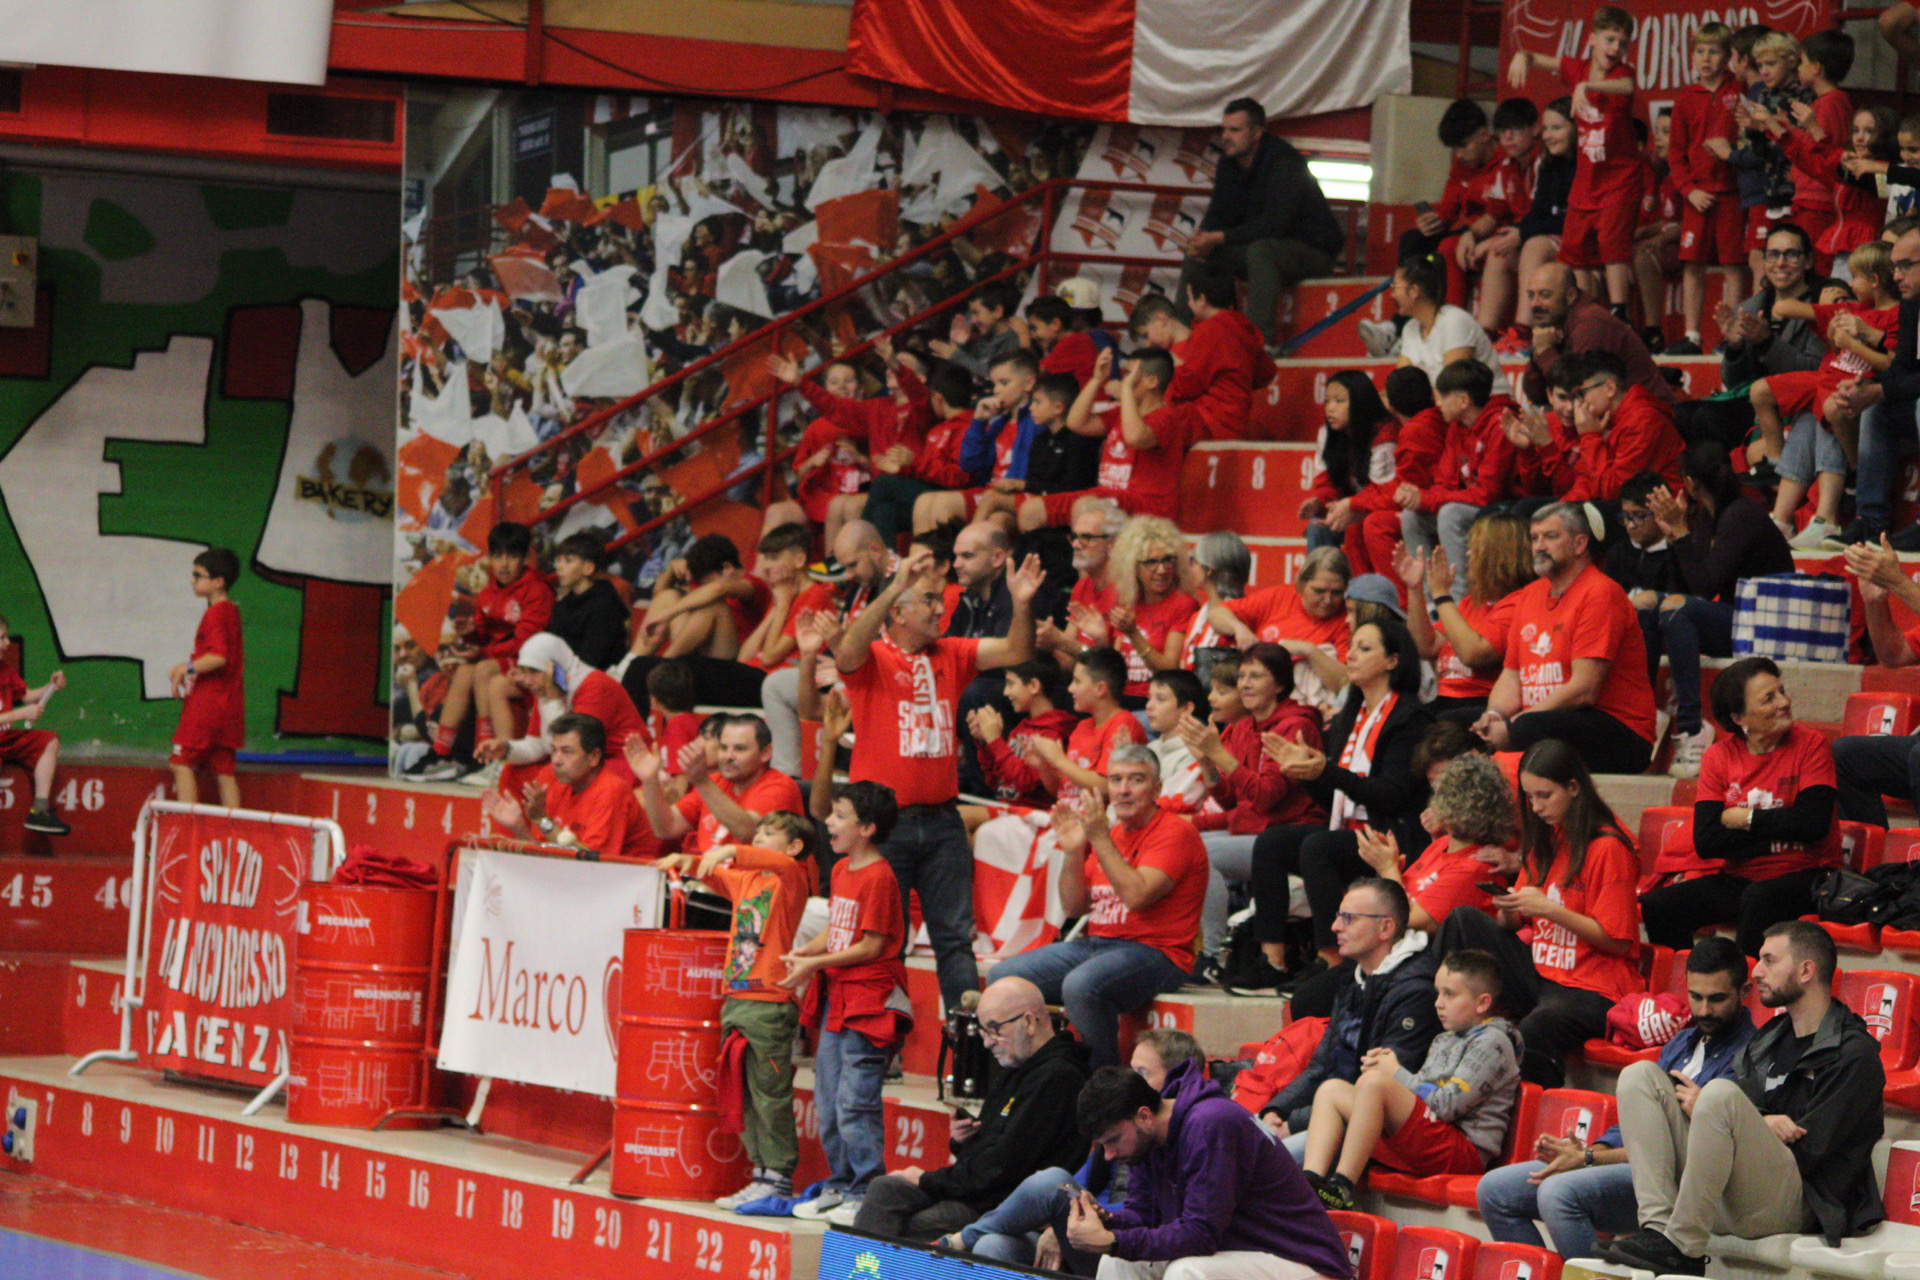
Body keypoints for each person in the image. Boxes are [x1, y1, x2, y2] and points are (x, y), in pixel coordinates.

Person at [1602, 921, 1885, 1275]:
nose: (1758, 970)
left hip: (1799, 1201)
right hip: (1735, 1186)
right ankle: (1659, 1230)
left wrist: (1749, 1120)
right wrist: (1762, 1121)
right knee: (1638, 1076)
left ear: (1806, 970)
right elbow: (1750, 1116)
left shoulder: (1853, 1054)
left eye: (1769, 960)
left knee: (1719, 1094)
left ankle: (1683, 1247)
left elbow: (1810, 1152)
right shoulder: (1769, 1039)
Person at [836, 544, 1047, 1011]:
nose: (941, 608)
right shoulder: (870, 658)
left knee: (954, 938)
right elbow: (845, 649)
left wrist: (1022, 601)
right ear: (897, 612)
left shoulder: (952, 652)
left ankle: (967, 1046)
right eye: (929, 601)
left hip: (942, 820)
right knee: (877, 937)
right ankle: (870, 1029)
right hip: (883, 823)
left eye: (939, 600)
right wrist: (893, 584)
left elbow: (1018, 648)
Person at [1477, 937, 1757, 1262]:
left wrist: (1588, 1160)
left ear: (1745, 992)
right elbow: (1638, 1126)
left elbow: (1684, 1152)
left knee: (1558, 1193)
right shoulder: (1681, 1042)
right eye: (1696, 997)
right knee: (1495, 1191)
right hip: (1633, 1170)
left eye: (1717, 999)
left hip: (1678, 1188)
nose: (1704, 1010)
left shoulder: (1750, 1056)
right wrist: (1587, 1152)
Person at [989, 746, 1207, 1069]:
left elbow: (1137, 895)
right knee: (1004, 977)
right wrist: (1075, 852)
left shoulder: (1175, 832)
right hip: (1098, 945)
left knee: (1081, 985)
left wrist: (1099, 839)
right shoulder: (1113, 833)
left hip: (1158, 952)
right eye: (1116, 780)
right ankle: (1038, 1073)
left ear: (1157, 789)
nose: (1124, 789)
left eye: (1136, 780)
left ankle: (1102, 1083)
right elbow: (1075, 907)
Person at [852, 975, 1091, 1244]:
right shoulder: (1015, 1068)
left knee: (917, 1224)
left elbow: (1001, 1168)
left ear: (1028, 1022)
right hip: (981, 1191)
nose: (987, 1042)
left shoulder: (1059, 1077)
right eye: (983, 1031)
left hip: (1005, 1205)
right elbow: (989, 1153)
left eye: (994, 1029)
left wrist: (927, 1179)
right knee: (885, 1189)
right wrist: (963, 1140)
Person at [1255, 620, 1435, 976]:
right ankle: (1271, 959)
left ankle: (1331, 960)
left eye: (1365, 648)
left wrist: (1325, 771)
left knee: (1318, 847)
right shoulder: (1350, 715)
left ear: (1393, 660)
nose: (1350, 655)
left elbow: (1393, 796)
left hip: (1392, 834)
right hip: (1350, 829)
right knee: (1273, 842)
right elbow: (1333, 795)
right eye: (1351, 647)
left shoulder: (1411, 717)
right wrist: (1305, 773)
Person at [657, 810, 815, 1211]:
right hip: (736, 1002)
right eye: (757, 830)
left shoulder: (790, 879)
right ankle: (760, 1172)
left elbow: (779, 862)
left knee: (770, 1095)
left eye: (769, 832)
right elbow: (711, 874)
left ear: (794, 846)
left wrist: (731, 848)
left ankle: (779, 1178)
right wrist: (686, 862)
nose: (759, 836)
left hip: (770, 1004)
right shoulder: (746, 879)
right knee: (741, 1094)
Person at [1067, 1060, 1354, 1280]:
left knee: (1188, 1273)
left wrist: (1114, 1241)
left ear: (1143, 1116)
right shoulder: (1147, 1142)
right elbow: (1145, 1216)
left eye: (1113, 1140)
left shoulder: (1210, 1124)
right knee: (1116, 1263)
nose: (1109, 1155)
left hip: (1306, 1264)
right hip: (1241, 1254)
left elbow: (1200, 1235)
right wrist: (1108, 1221)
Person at [1466, 738, 1643, 1088]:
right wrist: (1509, 909)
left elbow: (1617, 942)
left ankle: (1533, 1119)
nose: (1535, 807)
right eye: (1530, 797)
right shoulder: (1546, 838)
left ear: (1574, 787)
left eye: (1545, 795)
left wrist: (1549, 908)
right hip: (1544, 971)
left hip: (1593, 988)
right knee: (1464, 921)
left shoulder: (1607, 847)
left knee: (1536, 1028)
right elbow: (1521, 920)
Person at [948, 1028, 1204, 1267]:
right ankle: (967, 1239)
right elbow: (1076, 1188)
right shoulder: (1121, 1119)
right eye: (1131, 1070)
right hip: (1081, 1236)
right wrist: (1063, 1225)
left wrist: (1077, 1222)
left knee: (1052, 1181)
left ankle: (958, 1241)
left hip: (1123, 1247)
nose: (1131, 1081)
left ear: (1175, 1079)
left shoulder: (1174, 1134)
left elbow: (1153, 1216)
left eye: (1142, 1073)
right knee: (993, 1245)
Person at [1643, 658, 1840, 957]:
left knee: (1759, 898)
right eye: (1769, 699)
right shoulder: (1718, 757)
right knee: (1660, 905)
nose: (1784, 703)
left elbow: (1813, 824)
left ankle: (1741, 991)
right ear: (1738, 717)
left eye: (1782, 692)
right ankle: (1683, 988)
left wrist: (1745, 818)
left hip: (1807, 873)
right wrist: (1779, 826)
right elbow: (1708, 841)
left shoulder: (1811, 745)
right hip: (1741, 878)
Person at [1301, 949, 1521, 1211]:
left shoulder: (1492, 1043)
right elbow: (1422, 1093)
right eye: (1438, 992)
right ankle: (1310, 1183)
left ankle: (1341, 1186)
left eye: (1449, 994)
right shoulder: (1444, 1039)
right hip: (1431, 1139)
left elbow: (1446, 1106)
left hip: (1463, 1153)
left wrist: (1394, 1073)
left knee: (1374, 1083)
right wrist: (1392, 1072)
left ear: (1482, 1003)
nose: (1438, 1003)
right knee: (1332, 1090)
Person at [783, 781, 909, 1225]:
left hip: (868, 1004)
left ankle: (866, 1189)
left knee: (856, 1103)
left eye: (839, 815)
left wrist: (814, 966)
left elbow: (871, 947)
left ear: (868, 828)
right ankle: (840, 1184)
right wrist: (805, 953)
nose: (829, 823)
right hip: (837, 1001)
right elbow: (837, 932)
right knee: (829, 1101)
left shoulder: (879, 875)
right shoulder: (840, 870)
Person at [1255, 878, 1442, 1159]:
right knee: (1248, 1135)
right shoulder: (1355, 980)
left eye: (1349, 919)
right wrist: (1275, 1111)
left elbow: (1374, 1093)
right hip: (1329, 1114)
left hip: (1376, 1130)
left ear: (1386, 927)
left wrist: (1293, 1123)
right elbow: (1320, 1068)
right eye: (1338, 917)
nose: (1335, 927)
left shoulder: (1416, 992)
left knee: (1265, 1162)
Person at [1643, 443, 1794, 776]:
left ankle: (1692, 726)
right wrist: (1674, 535)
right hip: (1733, 618)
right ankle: (1641, 714)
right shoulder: (1709, 518)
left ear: (1690, 484)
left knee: (1675, 609)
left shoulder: (1741, 514)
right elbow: (1681, 588)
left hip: (1762, 623)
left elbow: (1704, 586)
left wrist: (1680, 532)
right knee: (1646, 604)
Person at [1474, 503, 1658, 774]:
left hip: (1619, 733)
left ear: (1579, 543)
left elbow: (1584, 690)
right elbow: (1512, 675)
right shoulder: (1530, 595)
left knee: (1527, 727)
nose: (1538, 546)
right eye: (1534, 538)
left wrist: (1514, 723)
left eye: (1550, 536)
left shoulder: (1600, 593)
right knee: (1453, 726)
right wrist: (1495, 716)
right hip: (1549, 720)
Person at [1180, 642, 1324, 970]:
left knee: (1200, 854)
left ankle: (1213, 956)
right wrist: (1207, 764)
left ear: (1280, 684)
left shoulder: (1296, 725)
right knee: (1183, 843)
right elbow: (1233, 799)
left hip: (1295, 834)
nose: (1244, 683)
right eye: (1242, 675)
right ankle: (1192, 947)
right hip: (1259, 830)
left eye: (1255, 676)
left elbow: (1266, 795)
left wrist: (1219, 754)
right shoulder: (1244, 726)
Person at [1179, 98, 1345, 347]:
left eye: (1234, 130)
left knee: (1262, 251)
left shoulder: (1284, 162)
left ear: (1257, 133)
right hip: (1266, 249)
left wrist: (1220, 237)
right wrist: (1203, 238)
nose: (1226, 136)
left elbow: (1275, 224)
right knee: (1197, 254)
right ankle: (1182, 338)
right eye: (1223, 129)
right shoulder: (1229, 162)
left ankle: (1258, 344)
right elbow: (1219, 213)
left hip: (1312, 252)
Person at [1510, 6, 1641, 307]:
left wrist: (1588, 86)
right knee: (1576, 253)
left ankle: (1619, 312)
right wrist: (1523, 56)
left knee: (1613, 250)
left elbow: (1628, 86)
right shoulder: (1576, 67)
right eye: (1609, 40)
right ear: (1592, 38)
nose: (1615, 48)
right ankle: (1587, 310)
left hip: (1620, 180)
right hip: (1587, 181)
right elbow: (1538, 58)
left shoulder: (1622, 74)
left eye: (1622, 44)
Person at [410, 521, 554, 781]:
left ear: (524, 558)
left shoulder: (537, 590)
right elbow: (484, 637)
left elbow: (527, 641)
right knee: (465, 671)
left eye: (511, 556)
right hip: (502, 661)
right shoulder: (488, 594)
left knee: (485, 669)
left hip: (535, 665)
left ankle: (488, 754)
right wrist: (470, 634)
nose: (504, 564)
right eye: (498, 556)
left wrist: (486, 651)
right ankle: (440, 753)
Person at [1398, 359, 1520, 602]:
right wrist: (1420, 497)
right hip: (1473, 503)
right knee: (1412, 517)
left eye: (1442, 396)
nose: (1437, 403)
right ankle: (1431, 602)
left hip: (1506, 506)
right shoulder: (1457, 426)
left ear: (1464, 401)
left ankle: (1458, 599)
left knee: (1450, 514)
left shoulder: (1500, 425)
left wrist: (1429, 498)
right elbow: (1445, 481)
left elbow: (1488, 493)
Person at [1399, 511, 1534, 725]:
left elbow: (1473, 653)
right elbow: (1425, 646)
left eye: (1476, 548)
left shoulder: (1520, 602)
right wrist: (1415, 588)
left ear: (1499, 554)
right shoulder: (1471, 602)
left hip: (1482, 706)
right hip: (1445, 702)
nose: (1468, 554)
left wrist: (1442, 595)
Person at [1503, 349, 1685, 503]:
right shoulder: (1605, 417)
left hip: (1654, 514)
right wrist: (1562, 508)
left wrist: (1589, 436)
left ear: (1609, 389)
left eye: (1582, 394)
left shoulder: (1644, 421)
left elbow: (1613, 492)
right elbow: (1585, 482)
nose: (1577, 405)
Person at [480, 631, 646, 795]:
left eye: (534, 671)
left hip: (623, 760)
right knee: (513, 773)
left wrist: (552, 700)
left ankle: (555, 823)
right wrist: (507, 749)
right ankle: (524, 823)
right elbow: (538, 745)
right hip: (584, 760)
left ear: (555, 668)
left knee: (551, 776)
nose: (527, 680)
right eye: (524, 671)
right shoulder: (547, 687)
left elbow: (572, 747)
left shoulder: (593, 685)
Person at [1668, 22, 1747, 355]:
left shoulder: (1738, 88)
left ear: (1728, 56)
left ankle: (1731, 337)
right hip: (1697, 195)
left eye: (1714, 51)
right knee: (1693, 264)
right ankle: (1692, 336)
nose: (1706, 58)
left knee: (1733, 264)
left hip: (1732, 192)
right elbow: (1675, 151)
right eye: (1700, 51)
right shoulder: (1686, 96)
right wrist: (1688, 190)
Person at [480, 712, 652, 861]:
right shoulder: (553, 780)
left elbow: (592, 863)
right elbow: (544, 853)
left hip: (625, 884)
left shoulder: (611, 790)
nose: (556, 760)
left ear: (594, 757)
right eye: (554, 750)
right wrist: (519, 827)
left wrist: (542, 820)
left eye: (567, 751)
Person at [1207, 547, 1351, 713]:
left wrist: (1309, 651)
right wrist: (1239, 628)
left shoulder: (1346, 619)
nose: (1328, 600)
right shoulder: (1280, 596)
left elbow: (1346, 683)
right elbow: (1216, 614)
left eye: (1337, 592)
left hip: (1300, 708)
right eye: (1319, 591)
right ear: (1302, 583)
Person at [636, 714, 802, 857]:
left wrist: (702, 781)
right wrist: (650, 781)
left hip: (759, 890)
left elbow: (749, 832)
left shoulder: (780, 786)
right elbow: (666, 828)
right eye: (723, 748)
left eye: (740, 749)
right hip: (710, 884)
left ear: (765, 753)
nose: (728, 756)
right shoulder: (715, 782)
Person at [1516, 264, 1675, 410]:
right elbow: (1536, 395)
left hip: (1648, 417)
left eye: (1545, 295)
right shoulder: (1555, 324)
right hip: (1611, 415)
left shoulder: (1591, 323)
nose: (1534, 304)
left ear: (1570, 295)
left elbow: (1576, 392)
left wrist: (1544, 351)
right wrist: (1539, 353)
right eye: (1531, 295)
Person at [170, 547, 245, 809]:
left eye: (198, 575)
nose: (193, 580)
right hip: (230, 705)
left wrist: (185, 668)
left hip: (209, 702)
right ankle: (232, 838)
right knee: (224, 771)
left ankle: (189, 831)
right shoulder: (231, 611)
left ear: (218, 582)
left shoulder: (216, 613)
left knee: (181, 763)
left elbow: (219, 657)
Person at [1027, 647, 1148, 805]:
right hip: (1066, 818)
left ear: (1100, 689)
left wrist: (1057, 759)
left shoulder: (1123, 725)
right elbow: (1063, 792)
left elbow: (1106, 788)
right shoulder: (1082, 726)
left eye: (1077, 681)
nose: (1070, 688)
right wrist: (1043, 767)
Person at [1096, 518, 1200, 701]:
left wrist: (1133, 633)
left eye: (1167, 560)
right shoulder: (1125, 601)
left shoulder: (1183, 604)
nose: (1161, 570)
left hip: (1155, 703)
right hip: (1119, 699)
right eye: (1151, 562)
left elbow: (1170, 671)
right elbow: (1111, 668)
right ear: (1133, 567)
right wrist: (1100, 641)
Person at [1387, 255, 1512, 394]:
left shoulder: (1455, 321)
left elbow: (1451, 389)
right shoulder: (1410, 328)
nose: (1392, 294)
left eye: (1395, 288)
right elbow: (1400, 385)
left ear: (1414, 291)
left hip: (1489, 409)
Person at [971, 659, 1079, 810]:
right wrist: (985, 742)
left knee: (961, 819)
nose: (1005, 692)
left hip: (1032, 814)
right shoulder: (1021, 728)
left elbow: (1026, 781)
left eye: (1011, 684)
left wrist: (995, 740)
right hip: (1007, 809)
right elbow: (995, 781)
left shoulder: (1054, 731)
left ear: (1034, 686)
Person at [0, 615, 68, 836]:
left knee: (48, 741)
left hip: (5, 739)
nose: (7, 643)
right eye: (1, 638)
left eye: (6, 637)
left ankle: (39, 811)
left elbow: (27, 696)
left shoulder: (5, 670)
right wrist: (20, 714)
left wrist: (51, 687)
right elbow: (23, 709)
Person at [545, 533, 628, 671]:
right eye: (558, 560)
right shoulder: (562, 606)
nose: (559, 567)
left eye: (568, 561)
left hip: (598, 679)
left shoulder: (604, 606)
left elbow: (591, 659)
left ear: (588, 568)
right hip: (566, 674)